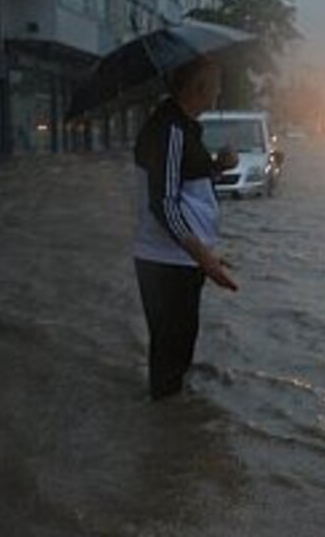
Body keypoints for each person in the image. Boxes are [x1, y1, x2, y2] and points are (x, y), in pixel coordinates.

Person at [133, 56, 239, 401]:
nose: (220, 91)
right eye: (217, 83)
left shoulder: (184, 127)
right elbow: (164, 203)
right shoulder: (170, 130)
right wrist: (207, 261)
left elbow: (188, 184)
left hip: (183, 260)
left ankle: (172, 432)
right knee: (170, 351)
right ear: (199, 88)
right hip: (167, 262)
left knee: (181, 345)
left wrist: (217, 168)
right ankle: (162, 428)